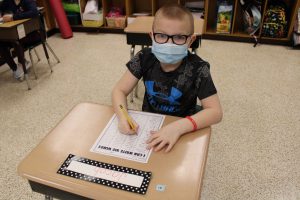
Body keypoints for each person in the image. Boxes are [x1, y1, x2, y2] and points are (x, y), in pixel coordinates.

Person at [112, 4, 223, 153]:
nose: (169, 44)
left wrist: (178, 128)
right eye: (162, 36)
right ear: (152, 36)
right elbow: (119, 90)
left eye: (179, 37)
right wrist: (122, 117)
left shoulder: (198, 68)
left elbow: (215, 112)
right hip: (149, 124)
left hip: (183, 126)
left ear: (190, 40)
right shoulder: (144, 58)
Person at [0, 0, 38, 80]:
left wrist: (13, 17)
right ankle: (15, 68)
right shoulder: (6, 2)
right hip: (14, 32)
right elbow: (3, 14)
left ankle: (22, 63)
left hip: (31, 33)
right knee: (1, 43)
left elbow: (34, 12)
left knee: (16, 39)